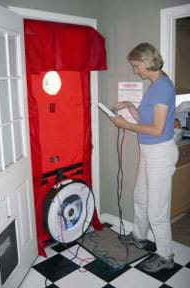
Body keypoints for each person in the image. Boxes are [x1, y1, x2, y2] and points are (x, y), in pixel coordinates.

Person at [109, 43, 178, 273]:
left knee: (157, 209)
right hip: (149, 152)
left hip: (159, 152)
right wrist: (130, 106)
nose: (135, 70)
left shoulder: (162, 87)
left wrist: (124, 124)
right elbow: (146, 122)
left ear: (147, 62)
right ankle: (139, 236)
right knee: (140, 196)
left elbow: (157, 130)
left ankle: (165, 255)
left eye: (136, 65)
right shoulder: (155, 84)